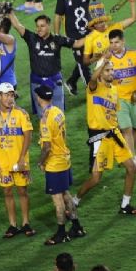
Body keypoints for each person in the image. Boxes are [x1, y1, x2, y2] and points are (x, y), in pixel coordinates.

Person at [73, 56, 136, 215]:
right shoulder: (93, 88)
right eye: (108, 70)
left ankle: (125, 205)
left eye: (112, 69)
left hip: (114, 135)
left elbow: (113, 114)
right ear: (101, 72)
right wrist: (103, 62)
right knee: (96, 178)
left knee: (131, 168)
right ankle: (76, 199)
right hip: (100, 138)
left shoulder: (114, 89)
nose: (111, 72)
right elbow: (92, 79)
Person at [35, 85, 83, 246]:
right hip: (64, 158)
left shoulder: (45, 118)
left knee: (57, 200)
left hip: (55, 163)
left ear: (39, 98)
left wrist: (40, 162)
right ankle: (76, 227)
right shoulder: (58, 111)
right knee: (65, 194)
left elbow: (47, 146)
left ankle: (61, 233)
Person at [7, 12, 77, 113]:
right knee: (42, 116)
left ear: (49, 26)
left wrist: (93, 37)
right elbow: (17, 25)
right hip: (37, 83)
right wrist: (10, 12)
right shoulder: (32, 38)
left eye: (42, 26)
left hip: (55, 82)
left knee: (58, 114)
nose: (39, 29)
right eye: (37, 26)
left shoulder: (57, 40)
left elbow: (77, 43)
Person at [0, 83, 33, 238]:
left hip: (19, 161)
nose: (9, 98)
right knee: (7, 192)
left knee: (22, 191)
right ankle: (12, 225)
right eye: (6, 95)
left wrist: (22, 158)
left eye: (12, 95)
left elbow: (28, 136)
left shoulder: (21, 114)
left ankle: (26, 222)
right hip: (3, 162)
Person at [108, 29, 136, 170]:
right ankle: (132, 159)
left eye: (117, 42)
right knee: (126, 129)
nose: (114, 45)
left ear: (123, 41)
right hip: (118, 100)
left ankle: (128, 154)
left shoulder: (135, 55)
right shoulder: (107, 59)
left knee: (135, 129)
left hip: (135, 98)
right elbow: (100, 78)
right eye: (111, 43)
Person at [56, 0, 101, 95]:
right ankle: (92, 89)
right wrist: (56, 34)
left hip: (89, 33)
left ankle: (71, 81)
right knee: (83, 63)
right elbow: (57, 16)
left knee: (87, 59)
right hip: (74, 37)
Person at [81, 0, 136, 67]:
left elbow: (133, 19)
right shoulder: (90, 38)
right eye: (98, 23)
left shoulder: (114, 27)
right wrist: (94, 59)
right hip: (104, 71)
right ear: (93, 25)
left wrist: (132, 2)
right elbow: (85, 62)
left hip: (121, 65)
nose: (102, 24)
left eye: (103, 21)